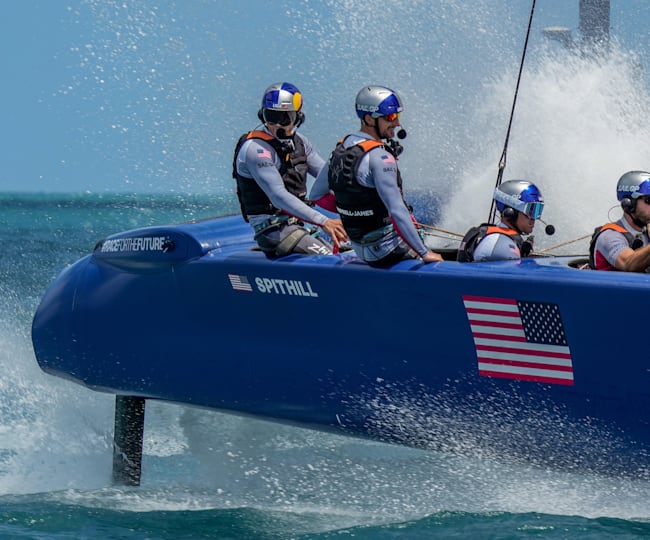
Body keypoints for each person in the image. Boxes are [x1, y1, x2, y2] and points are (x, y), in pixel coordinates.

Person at [311, 85, 442, 267]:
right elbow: (396, 211)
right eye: (390, 117)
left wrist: (354, 213)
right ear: (368, 119)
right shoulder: (380, 157)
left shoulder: (340, 149)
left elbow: (316, 195)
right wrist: (425, 253)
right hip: (385, 251)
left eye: (397, 116)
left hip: (359, 249)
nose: (396, 124)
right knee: (456, 254)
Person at [233, 82, 347, 257]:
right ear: (262, 115)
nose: (278, 125)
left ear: (298, 119)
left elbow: (329, 179)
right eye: (271, 116)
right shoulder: (256, 149)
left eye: (285, 119)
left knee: (356, 246)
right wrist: (324, 221)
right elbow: (278, 196)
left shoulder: (300, 142)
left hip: (299, 227)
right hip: (272, 231)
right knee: (329, 258)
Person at [457, 180, 544, 262]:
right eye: (530, 211)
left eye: (537, 211)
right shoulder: (499, 245)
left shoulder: (502, 239)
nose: (534, 219)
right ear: (510, 212)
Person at [589, 170, 650, 271]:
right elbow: (628, 264)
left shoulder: (646, 233)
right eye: (649, 200)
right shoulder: (609, 236)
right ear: (629, 204)